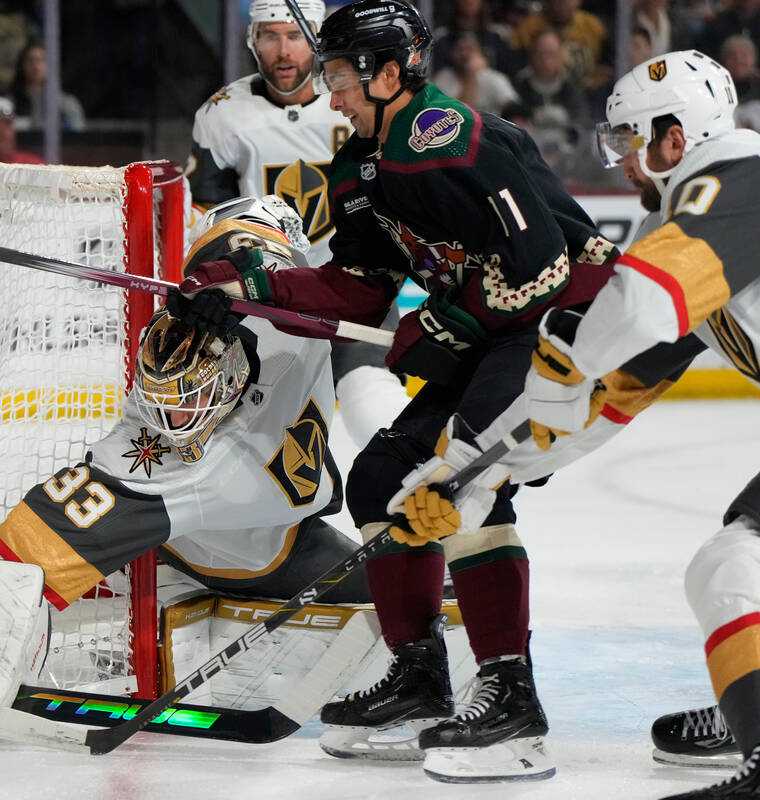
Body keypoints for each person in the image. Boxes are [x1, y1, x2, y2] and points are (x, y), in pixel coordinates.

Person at [176, 0, 619, 782]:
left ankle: (512, 698)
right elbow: (358, 287)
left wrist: (448, 324)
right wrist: (245, 282)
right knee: (382, 480)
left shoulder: (456, 139)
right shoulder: (361, 167)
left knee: (465, 484)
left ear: (389, 74)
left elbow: (545, 264)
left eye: (342, 76)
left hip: (560, 331)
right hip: (491, 334)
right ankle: (419, 680)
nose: (332, 92)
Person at [0, 196, 379, 730]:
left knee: (413, 595)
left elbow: (254, 253)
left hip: (267, 535)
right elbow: (13, 554)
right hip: (228, 543)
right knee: (32, 548)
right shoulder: (167, 392)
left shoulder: (286, 318)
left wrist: (228, 280)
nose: (175, 409)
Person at [521, 49, 760, 798]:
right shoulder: (705, 214)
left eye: (630, 140)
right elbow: (630, 381)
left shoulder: (739, 179)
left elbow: (643, 303)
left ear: (676, 138)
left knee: (733, 566)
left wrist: (574, 355)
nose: (623, 160)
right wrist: (505, 467)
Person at [185, 0, 408, 451]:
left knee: (371, 397)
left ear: (319, 41)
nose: (284, 52)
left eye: (296, 36)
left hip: (353, 287)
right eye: (270, 36)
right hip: (267, 295)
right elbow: (207, 221)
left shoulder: (357, 102)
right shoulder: (222, 114)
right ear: (253, 42)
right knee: (260, 436)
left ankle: (415, 474)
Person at [9, 40, 86, 132]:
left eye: (42, 60)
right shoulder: (9, 104)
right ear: (21, 66)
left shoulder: (66, 103)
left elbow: (79, 136)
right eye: (30, 60)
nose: (36, 66)